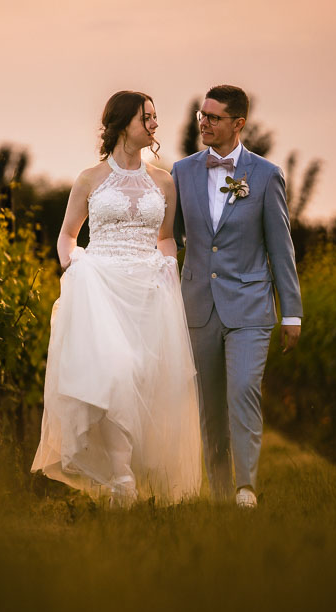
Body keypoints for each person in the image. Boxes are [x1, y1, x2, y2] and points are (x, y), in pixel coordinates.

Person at [32, 91, 202, 505]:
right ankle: (121, 480)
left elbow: (166, 238)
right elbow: (67, 236)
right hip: (100, 290)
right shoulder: (90, 179)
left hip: (148, 293)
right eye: (148, 117)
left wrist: (168, 276)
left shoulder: (163, 181)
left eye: (156, 117)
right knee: (115, 372)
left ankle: (133, 476)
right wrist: (75, 272)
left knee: (145, 379)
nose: (155, 124)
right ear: (124, 123)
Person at [171, 84, 302, 508]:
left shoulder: (265, 175)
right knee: (209, 407)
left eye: (213, 117)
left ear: (238, 123)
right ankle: (221, 491)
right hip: (197, 307)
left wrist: (292, 313)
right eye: (201, 116)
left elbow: (281, 248)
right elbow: (166, 240)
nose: (204, 123)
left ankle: (246, 489)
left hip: (250, 306)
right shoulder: (181, 171)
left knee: (243, 389)